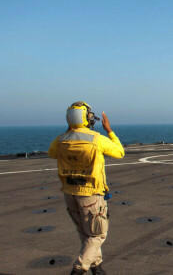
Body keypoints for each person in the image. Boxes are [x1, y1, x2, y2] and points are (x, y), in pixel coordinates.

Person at [48, 102, 125, 275]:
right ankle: (79, 268)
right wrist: (110, 131)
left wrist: (71, 131)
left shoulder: (61, 140)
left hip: (69, 194)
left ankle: (96, 267)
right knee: (98, 235)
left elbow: (52, 153)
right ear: (88, 118)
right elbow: (120, 152)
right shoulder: (96, 139)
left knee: (85, 233)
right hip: (91, 194)